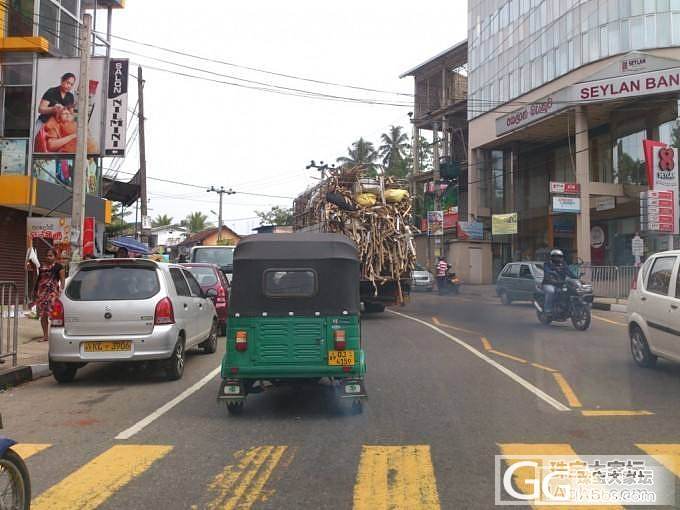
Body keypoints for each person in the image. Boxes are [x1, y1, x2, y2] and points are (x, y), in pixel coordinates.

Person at [32, 249, 65, 342]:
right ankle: (45, 336)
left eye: (51, 255)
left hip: (52, 294)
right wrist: (35, 292)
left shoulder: (59, 267)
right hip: (41, 294)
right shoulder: (42, 266)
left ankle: (56, 335)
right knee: (43, 316)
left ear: (55, 257)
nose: (48, 257)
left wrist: (61, 290)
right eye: (47, 255)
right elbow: (39, 279)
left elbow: (62, 280)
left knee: (53, 315)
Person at [542, 249, 578, 316]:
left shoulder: (563, 264)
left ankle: (564, 307)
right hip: (549, 283)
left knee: (569, 291)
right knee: (551, 291)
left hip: (560, 283)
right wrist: (551, 279)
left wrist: (576, 278)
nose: (558, 258)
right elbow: (547, 273)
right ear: (552, 257)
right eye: (555, 256)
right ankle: (547, 309)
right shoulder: (547, 264)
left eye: (559, 256)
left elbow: (568, 272)